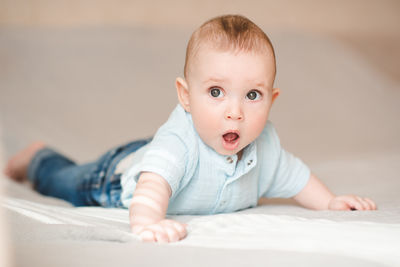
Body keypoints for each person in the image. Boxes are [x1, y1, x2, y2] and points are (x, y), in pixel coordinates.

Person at [4, 14, 377, 243]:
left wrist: (329, 201)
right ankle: (38, 157)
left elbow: (298, 178)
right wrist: (148, 222)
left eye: (252, 95)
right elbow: (154, 185)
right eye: (216, 92)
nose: (235, 112)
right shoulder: (179, 143)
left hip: (151, 157)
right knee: (65, 182)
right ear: (185, 95)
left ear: (272, 100)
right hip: (115, 179)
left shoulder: (266, 146)